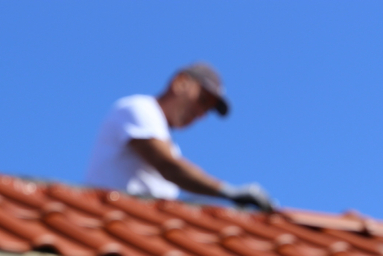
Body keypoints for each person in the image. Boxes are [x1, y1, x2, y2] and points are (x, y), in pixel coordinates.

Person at [84, 62, 274, 211]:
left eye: (207, 111)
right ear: (180, 82)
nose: (201, 114)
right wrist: (229, 191)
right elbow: (169, 167)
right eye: (202, 100)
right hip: (110, 216)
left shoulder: (171, 146)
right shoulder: (139, 108)